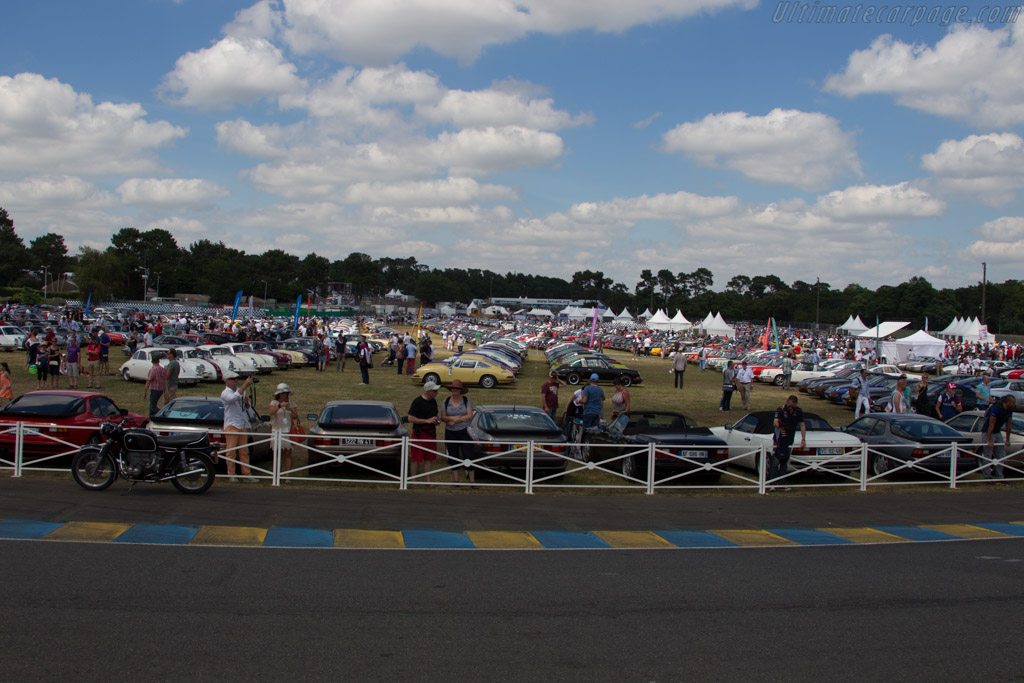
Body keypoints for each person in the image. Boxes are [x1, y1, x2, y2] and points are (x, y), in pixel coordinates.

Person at [221, 375, 256, 482]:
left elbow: (244, 407)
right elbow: (233, 398)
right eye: (232, 379)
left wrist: (247, 404)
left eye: (236, 379)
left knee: (244, 451)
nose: (235, 381)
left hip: (241, 423)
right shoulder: (225, 393)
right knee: (231, 451)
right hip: (231, 424)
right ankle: (231, 474)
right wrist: (245, 385)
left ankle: (246, 474)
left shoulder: (241, 391)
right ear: (226, 381)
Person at [440, 380, 475, 485]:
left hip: (464, 431)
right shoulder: (446, 401)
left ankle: (472, 481)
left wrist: (457, 420)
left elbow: (469, 415)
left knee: (468, 454)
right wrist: (450, 419)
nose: (455, 390)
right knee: (453, 455)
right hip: (450, 432)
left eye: (457, 388)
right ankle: (456, 480)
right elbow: (443, 417)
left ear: (461, 390)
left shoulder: (466, 400)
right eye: (453, 388)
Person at [408, 380, 442, 483]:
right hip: (419, 433)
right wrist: (425, 421)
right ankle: (413, 480)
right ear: (428, 391)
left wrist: (436, 420)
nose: (437, 392)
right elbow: (410, 418)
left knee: (429, 458)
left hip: (431, 433)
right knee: (416, 458)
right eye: (435, 391)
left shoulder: (433, 401)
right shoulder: (417, 402)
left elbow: (434, 415)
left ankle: (428, 480)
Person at [770, 395, 806, 491]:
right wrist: (782, 429)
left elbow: (802, 424)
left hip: (790, 439)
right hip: (779, 439)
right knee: (776, 461)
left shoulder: (798, 411)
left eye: (792, 407)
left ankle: (782, 483)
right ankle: (772, 483)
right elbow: (775, 422)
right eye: (789, 406)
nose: (791, 408)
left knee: (785, 461)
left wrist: (803, 439)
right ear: (787, 402)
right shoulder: (780, 410)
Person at [269, 383, 301, 481]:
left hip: (287, 430)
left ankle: (287, 476)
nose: (284, 395)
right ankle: (276, 475)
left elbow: (296, 417)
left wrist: (291, 410)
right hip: (277, 430)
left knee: (287, 453)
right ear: (278, 394)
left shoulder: (292, 403)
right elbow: (271, 412)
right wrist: (279, 405)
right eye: (282, 393)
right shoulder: (274, 403)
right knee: (277, 453)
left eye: (286, 393)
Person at [981, 395, 1015, 483]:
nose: (1014, 404)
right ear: (1007, 402)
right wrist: (988, 440)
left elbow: (1009, 424)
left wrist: (1007, 439)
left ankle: (1000, 476)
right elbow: (991, 424)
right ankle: (987, 476)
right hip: (988, 431)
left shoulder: (1010, 409)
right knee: (988, 454)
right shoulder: (996, 408)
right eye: (1012, 402)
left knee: (1001, 455)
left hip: (997, 431)